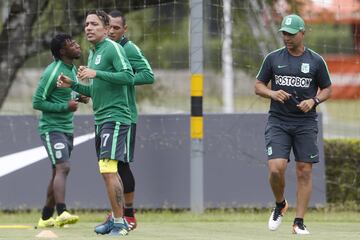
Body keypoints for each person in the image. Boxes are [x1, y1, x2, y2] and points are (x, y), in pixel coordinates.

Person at [57, 10, 134, 236]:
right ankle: (116, 218)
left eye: (94, 24)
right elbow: (94, 92)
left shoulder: (113, 48)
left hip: (116, 117)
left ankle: (120, 223)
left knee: (109, 169)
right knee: (106, 170)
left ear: (107, 28)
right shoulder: (94, 53)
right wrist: (73, 85)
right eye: (86, 24)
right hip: (101, 118)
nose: (88, 28)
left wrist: (96, 73)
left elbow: (128, 76)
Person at [254, 14, 332, 235]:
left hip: (305, 122)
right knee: (276, 169)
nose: (286, 37)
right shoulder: (272, 58)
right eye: (284, 34)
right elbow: (258, 85)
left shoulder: (316, 61)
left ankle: (299, 222)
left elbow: (327, 89)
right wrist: (272, 92)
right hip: (278, 121)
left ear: (302, 33)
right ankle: (280, 204)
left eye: (291, 33)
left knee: (304, 171)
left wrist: (314, 100)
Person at [94, 10, 155, 232]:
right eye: (108, 27)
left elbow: (148, 75)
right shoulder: (103, 49)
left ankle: (127, 215)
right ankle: (117, 215)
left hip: (124, 114)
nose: (111, 31)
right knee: (113, 166)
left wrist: (122, 80)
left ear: (124, 29)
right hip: (106, 113)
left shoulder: (128, 48)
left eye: (116, 28)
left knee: (120, 165)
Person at [33, 33, 84, 228]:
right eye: (72, 44)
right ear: (62, 51)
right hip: (51, 128)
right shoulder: (53, 72)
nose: (77, 45)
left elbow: (63, 95)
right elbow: (37, 102)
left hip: (66, 128)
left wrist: (79, 98)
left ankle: (45, 218)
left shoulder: (71, 70)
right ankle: (62, 212)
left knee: (57, 172)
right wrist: (65, 107)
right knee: (64, 167)